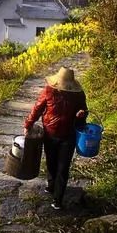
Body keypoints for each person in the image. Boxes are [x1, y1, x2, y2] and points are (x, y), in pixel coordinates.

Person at [23, 66, 88, 210]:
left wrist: (81, 115)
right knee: (51, 162)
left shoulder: (78, 94)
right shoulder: (49, 91)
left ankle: (58, 199)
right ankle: (51, 185)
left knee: (63, 167)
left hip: (68, 135)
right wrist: (28, 124)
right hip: (50, 133)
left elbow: (84, 112)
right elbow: (37, 108)